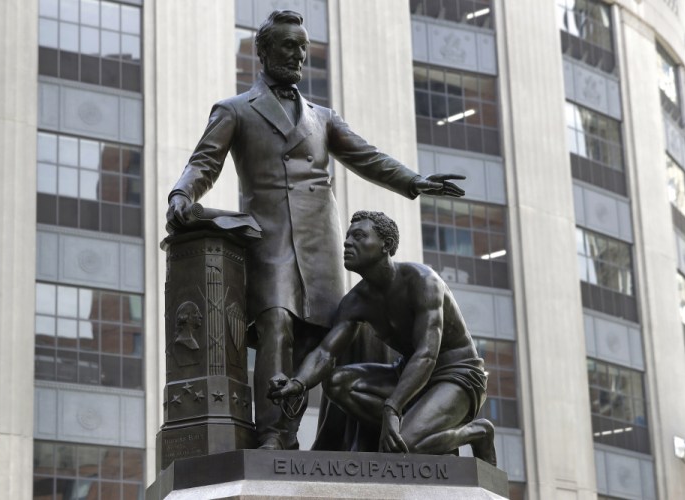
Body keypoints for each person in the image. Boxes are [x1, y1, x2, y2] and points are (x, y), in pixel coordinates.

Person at [166, 10, 465, 450]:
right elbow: (204, 162)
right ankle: (273, 435)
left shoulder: (322, 117)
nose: (298, 55)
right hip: (269, 239)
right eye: (288, 46)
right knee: (277, 324)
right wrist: (181, 194)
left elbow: (368, 156)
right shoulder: (234, 110)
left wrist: (412, 181)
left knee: (326, 336)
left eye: (303, 47)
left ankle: (328, 440)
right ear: (263, 51)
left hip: (322, 242)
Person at [269, 211, 496, 464]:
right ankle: (420, 428)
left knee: (404, 446)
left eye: (358, 236)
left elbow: (427, 354)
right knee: (337, 382)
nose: (347, 243)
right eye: (347, 237)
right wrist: (298, 383)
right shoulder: (356, 301)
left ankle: (477, 432)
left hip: (456, 375)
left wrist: (392, 407)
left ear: (385, 245)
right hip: (407, 375)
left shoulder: (422, 281)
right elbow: (326, 353)